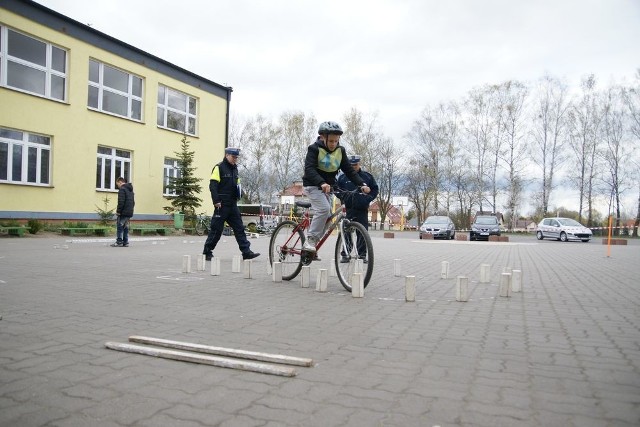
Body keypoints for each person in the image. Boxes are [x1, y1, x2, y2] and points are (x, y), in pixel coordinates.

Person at [302, 121, 370, 252]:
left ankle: (312, 246)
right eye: (331, 141)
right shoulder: (314, 149)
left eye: (336, 141)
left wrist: (362, 184)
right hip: (312, 185)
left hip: (328, 188)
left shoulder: (340, 151)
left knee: (328, 218)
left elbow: (349, 171)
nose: (334, 144)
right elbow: (309, 169)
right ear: (323, 137)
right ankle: (310, 241)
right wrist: (321, 183)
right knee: (323, 209)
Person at [202, 147, 260, 261]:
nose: (235, 159)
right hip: (222, 205)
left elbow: (238, 185)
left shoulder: (235, 169)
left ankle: (246, 252)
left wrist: (241, 194)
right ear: (227, 155)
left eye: (236, 157)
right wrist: (216, 201)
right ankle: (207, 251)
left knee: (239, 228)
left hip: (232, 205)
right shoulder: (219, 168)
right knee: (216, 230)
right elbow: (213, 186)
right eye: (233, 157)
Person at [336, 155, 379, 263]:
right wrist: (343, 197)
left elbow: (375, 189)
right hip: (348, 209)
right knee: (346, 233)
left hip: (362, 209)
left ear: (359, 164)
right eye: (351, 165)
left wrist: (368, 199)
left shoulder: (367, 176)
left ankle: (362, 255)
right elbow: (337, 189)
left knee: (362, 233)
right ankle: (345, 254)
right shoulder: (343, 177)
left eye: (355, 165)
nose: (353, 167)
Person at [111, 177, 135, 247]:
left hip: (123, 212)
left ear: (120, 182)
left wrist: (118, 211)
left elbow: (121, 202)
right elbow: (133, 202)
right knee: (126, 227)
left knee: (120, 226)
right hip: (129, 212)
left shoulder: (122, 189)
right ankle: (125, 242)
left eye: (117, 184)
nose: (118, 186)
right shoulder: (130, 190)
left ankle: (119, 241)